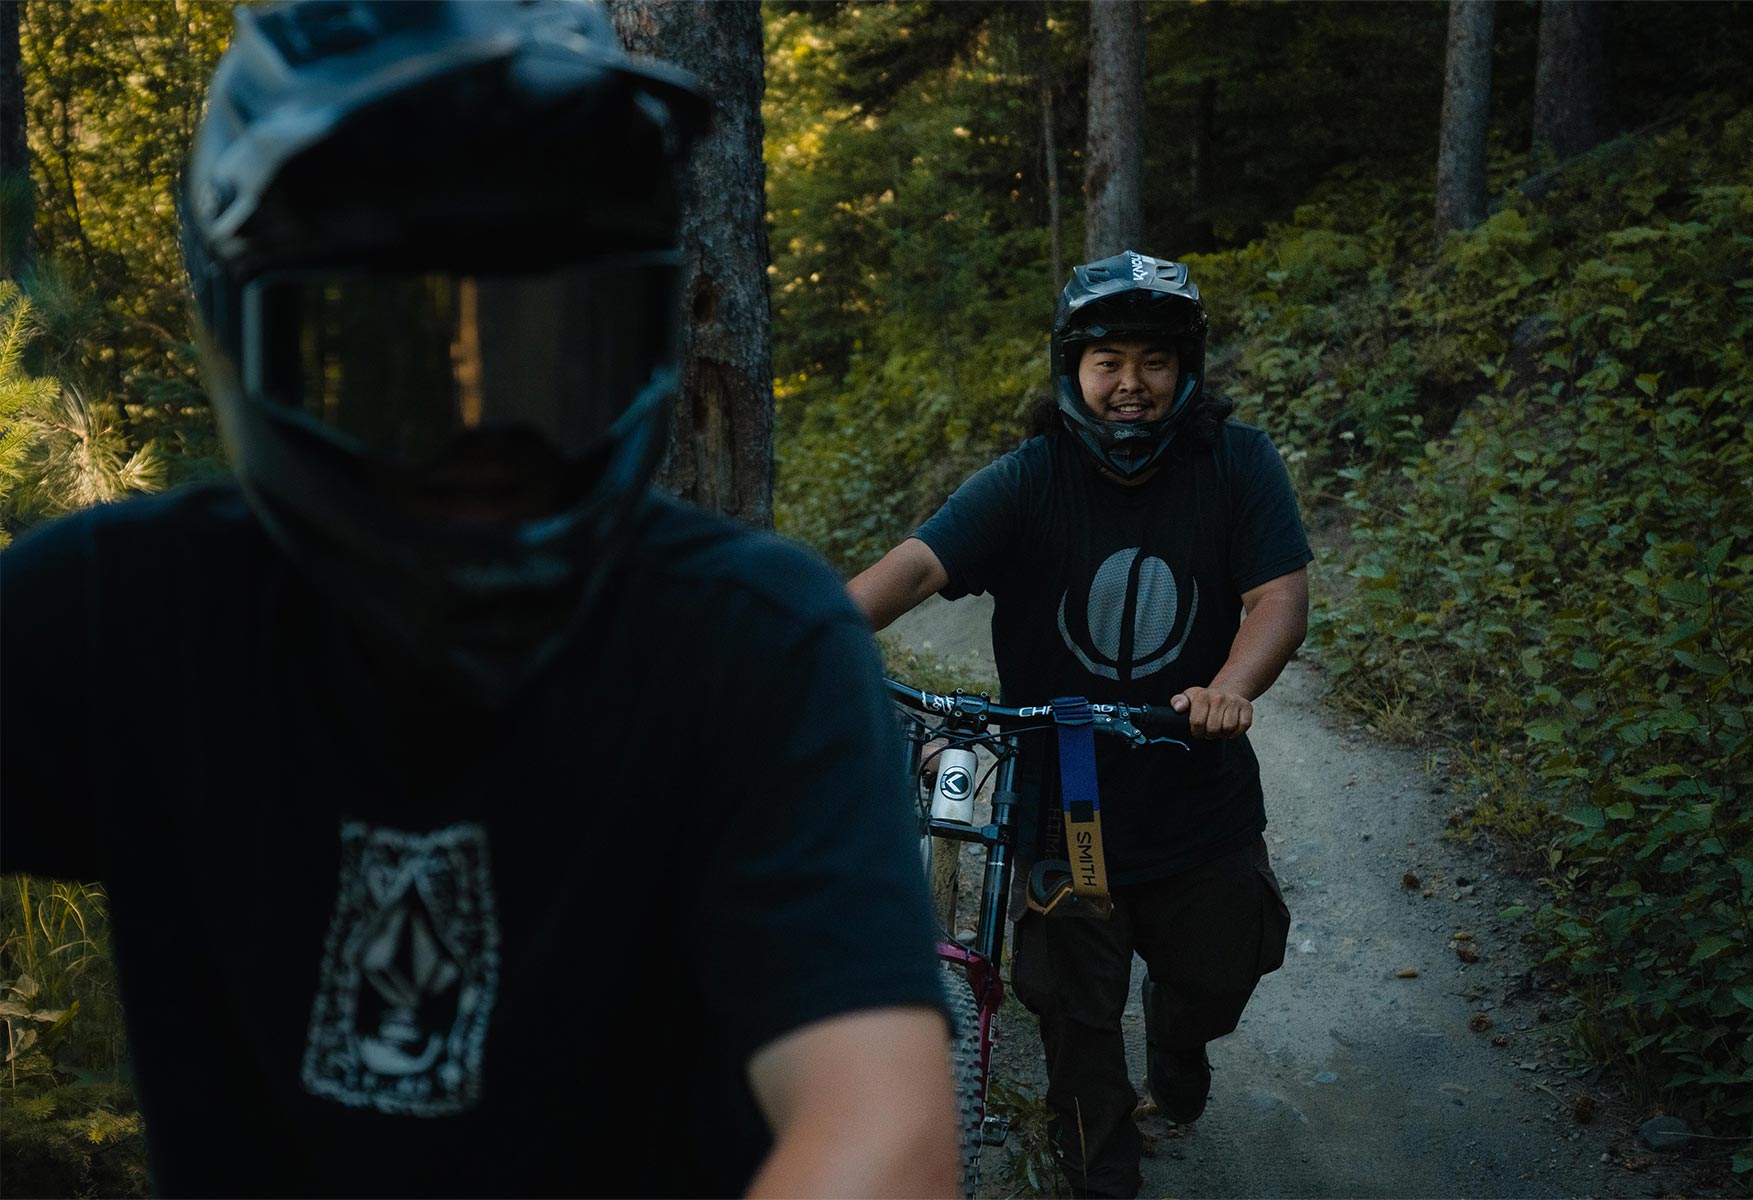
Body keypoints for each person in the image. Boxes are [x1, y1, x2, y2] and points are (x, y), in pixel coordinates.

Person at [0, 2, 959, 1196]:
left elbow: (879, 1139)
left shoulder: (743, 647)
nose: (475, 429)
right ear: (245, 341)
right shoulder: (133, 616)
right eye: (380, 357)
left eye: (546, 346)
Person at [848, 250, 1311, 1198]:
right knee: (1074, 1010)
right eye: (1108, 362)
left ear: (1185, 367)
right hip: (1070, 807)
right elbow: (919, 566)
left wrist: (1229, 687)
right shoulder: (1031, 478)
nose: (1130, 385)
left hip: (1197, 790)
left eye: (1153, 361)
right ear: (1074, 368)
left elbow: (1277, 598)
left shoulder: (1237, 464)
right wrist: (803, 634)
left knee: (1222, 970)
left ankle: (1181, 1040)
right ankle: (1103, 1167)